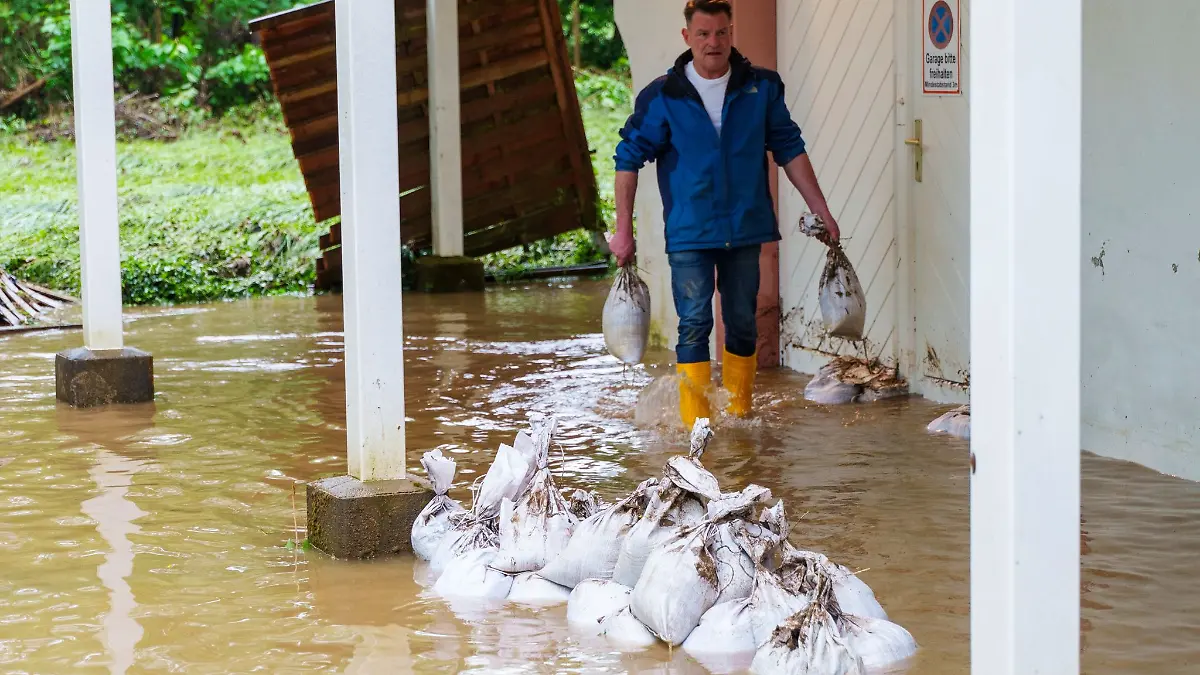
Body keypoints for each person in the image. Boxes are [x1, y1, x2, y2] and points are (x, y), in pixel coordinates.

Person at [609, 0, 841, 428]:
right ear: (687, 38)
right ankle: (696, 433)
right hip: (689, 233)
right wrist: (624, 230)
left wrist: (821, 209)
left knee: (741, 322)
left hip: (746, 227)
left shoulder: (762, 87)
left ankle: (739, 419)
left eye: (720, 33)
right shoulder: (663, 96)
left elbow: (789, 148)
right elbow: (627, 160)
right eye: (703, 34)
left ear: (731, 33)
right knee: (694, 324)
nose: (713, 43)